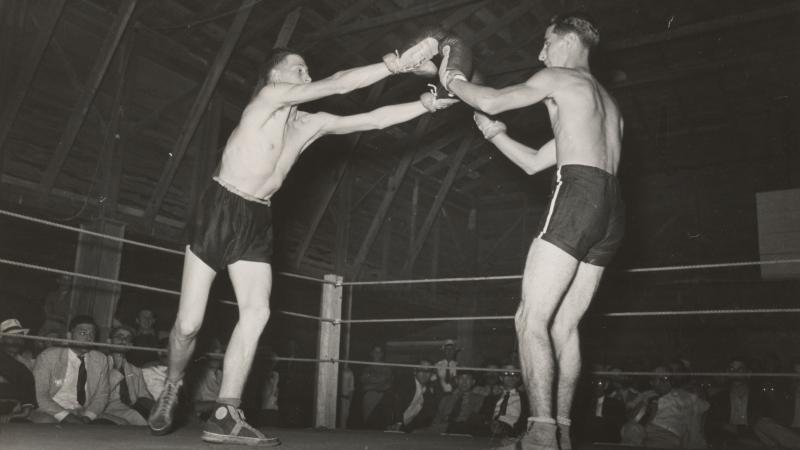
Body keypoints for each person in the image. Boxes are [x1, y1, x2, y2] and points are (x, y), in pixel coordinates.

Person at [147, 39, 453, 446]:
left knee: (256, 313)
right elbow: (340, 83)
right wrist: (393, 66)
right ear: (275, 77)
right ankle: (173, 382)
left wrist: (425, 106)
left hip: (257, 218)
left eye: (308, 71)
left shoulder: (309, 124)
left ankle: (225, 412)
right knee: (188, 326)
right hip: (220, 207)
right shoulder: (267, 99)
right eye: (299, 69)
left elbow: (373, 120)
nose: (306, 76)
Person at [439, 12, 623, 450]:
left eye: (545, 43)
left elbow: (493, 100)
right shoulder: (605, 104)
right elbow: (535, 161)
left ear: (565, 41)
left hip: (579, 196)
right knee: (564, 325)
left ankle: (539, 433)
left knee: (529, 319)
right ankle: (559, 429)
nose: (540, 54)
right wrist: (495, 135)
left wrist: (453, 80)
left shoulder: (557, 75)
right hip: (611, 210)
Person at [30, 315, 111, 424]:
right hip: (50, 411)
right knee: (48, 425)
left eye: (92, 334)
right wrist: (67, 417)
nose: (89, 338)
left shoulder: (100, 359)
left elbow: (102, 396)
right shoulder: (48, 356)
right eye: (83, 333)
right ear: (69, 335)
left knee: (121, 424)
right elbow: (39, 395)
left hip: (83, 413)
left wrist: (88, 417)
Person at [104, 325, 154, 425]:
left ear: (131, 345)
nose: (123, 340)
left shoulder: (135, 370)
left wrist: (158, 408)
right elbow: (100, 393)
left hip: (127, 409)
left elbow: (144, 396)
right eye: (119, 336)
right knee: (134, 417)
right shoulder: (100, 363)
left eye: (128, 338)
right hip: (103, 408)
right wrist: (117, 368)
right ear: (109, 342)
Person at [0, 318, 36, 423]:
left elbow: (29, 394)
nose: (16, 340)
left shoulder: (27, 364)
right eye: (11, 337)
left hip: (14, 412)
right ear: (1, 339)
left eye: (20, 337)